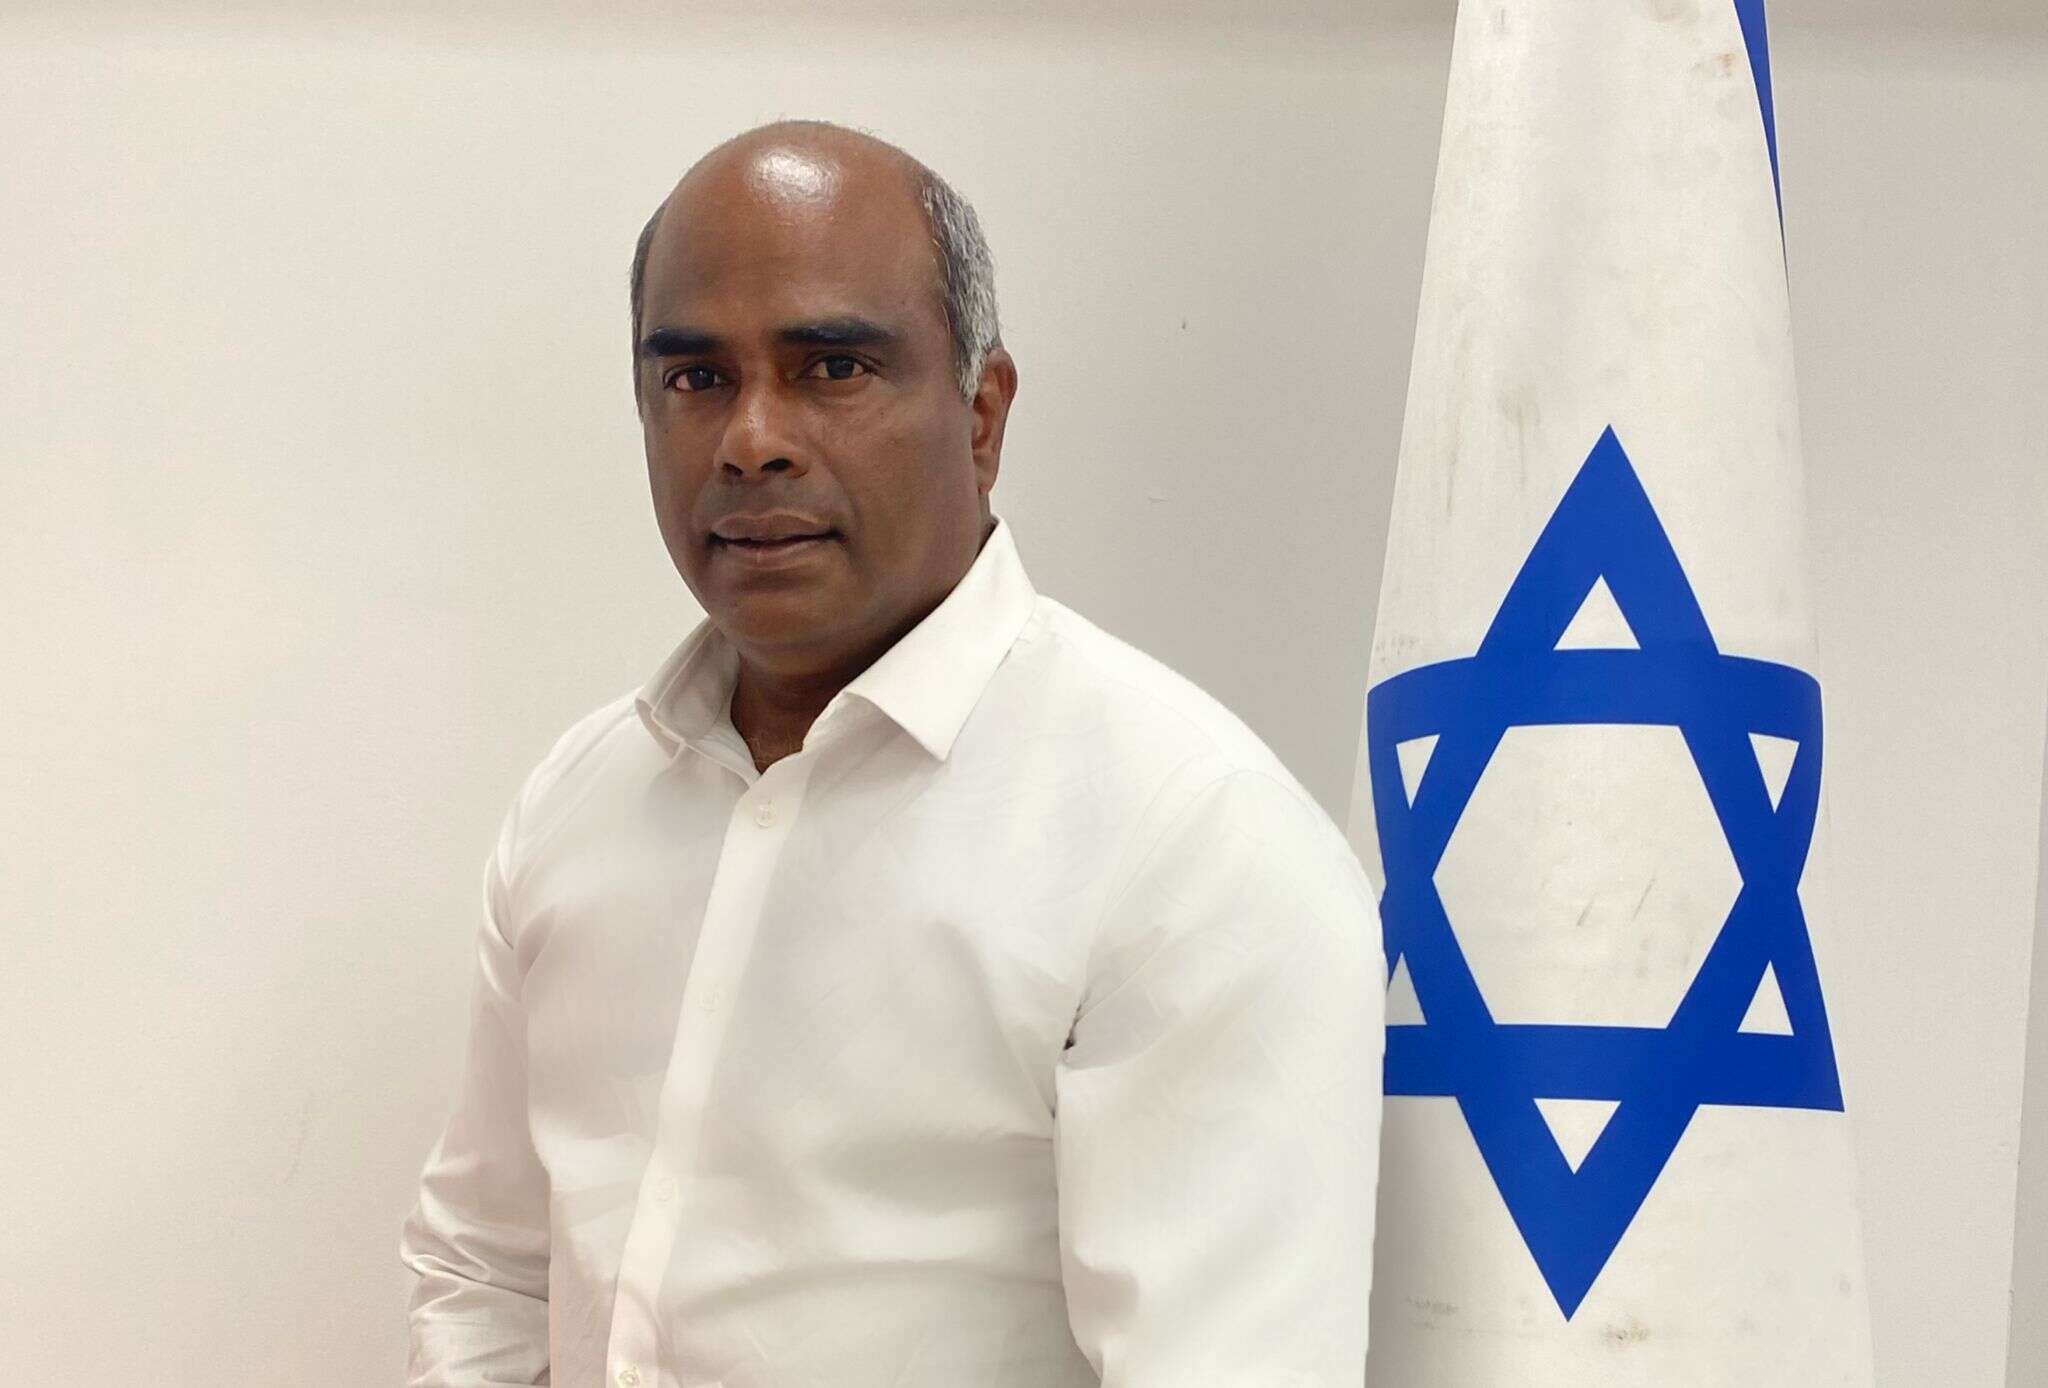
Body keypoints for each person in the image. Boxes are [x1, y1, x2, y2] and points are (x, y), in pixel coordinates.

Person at [399, 118, 1383, 1388]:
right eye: (695, 378)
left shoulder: (1189, 839)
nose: (750, 438)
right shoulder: (579, 803)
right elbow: (488, 1268)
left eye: (832, 367)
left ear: (981, 414)